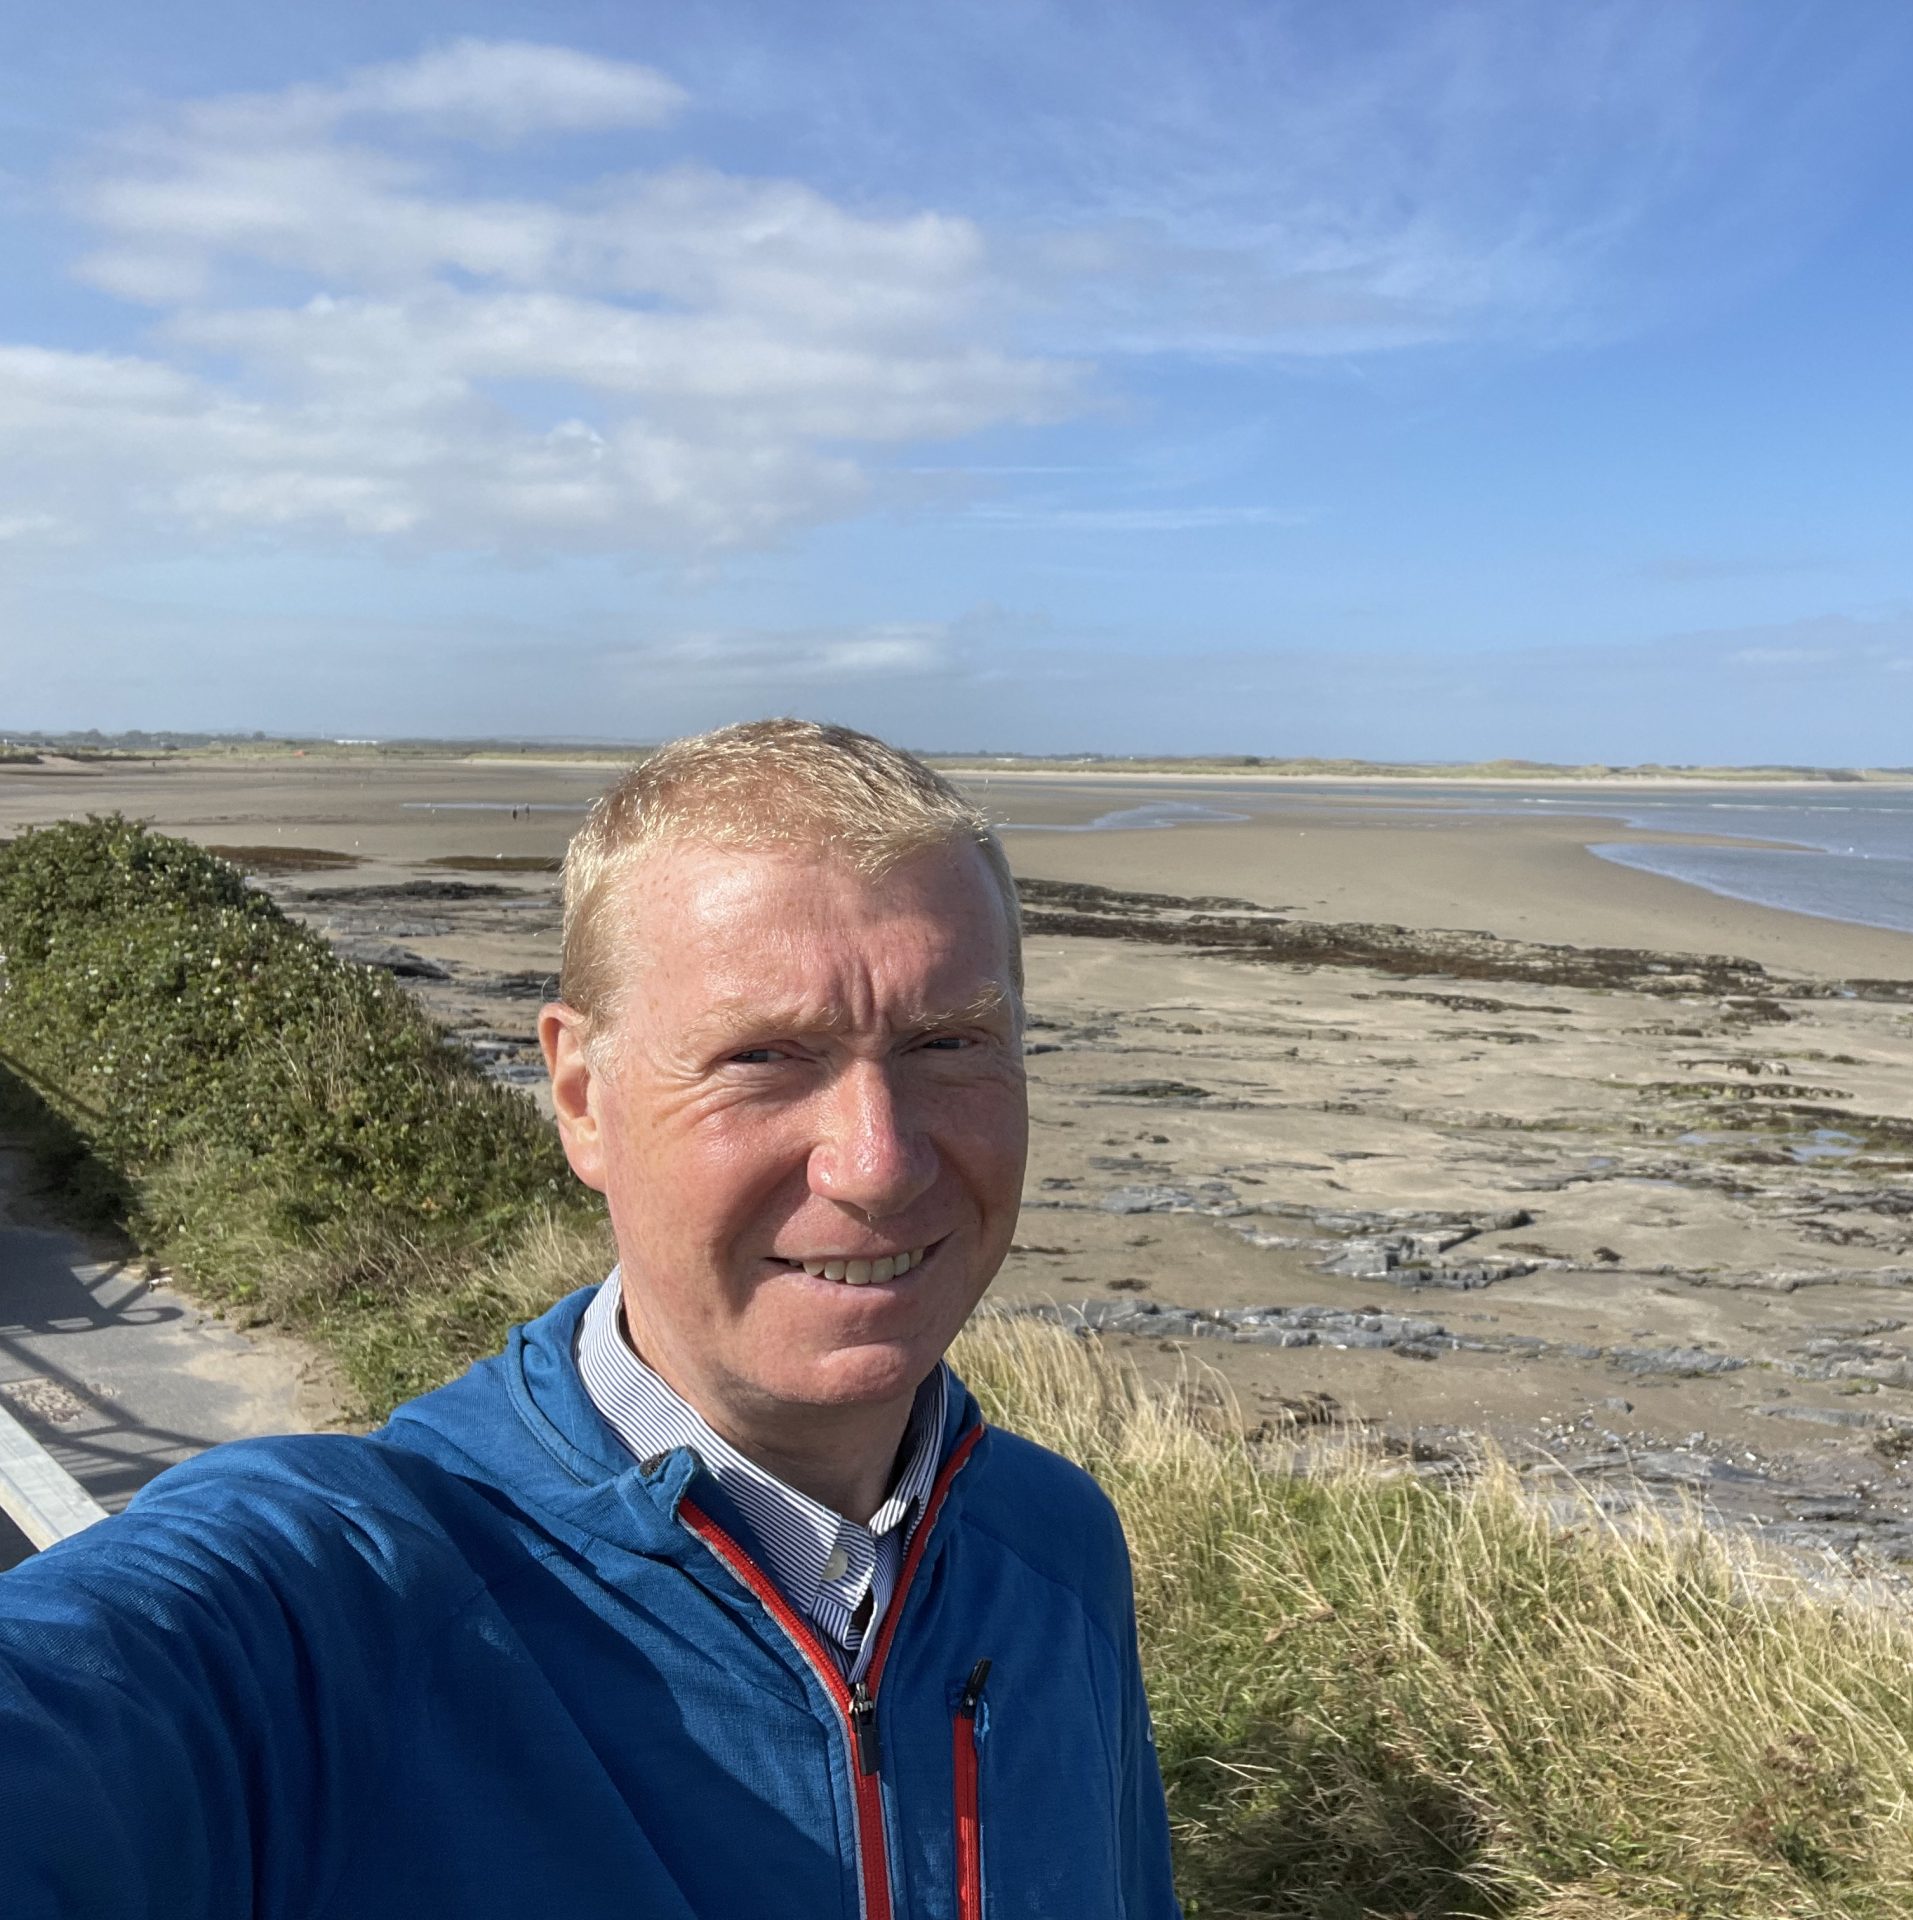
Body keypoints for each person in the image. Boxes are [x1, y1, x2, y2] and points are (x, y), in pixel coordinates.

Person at [0, 719, 1183, 1920]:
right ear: (579, 1098)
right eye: (763, 1056)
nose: (876, 1164)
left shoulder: (1055, 1544)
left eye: (949, 1042)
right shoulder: (332, 1604)